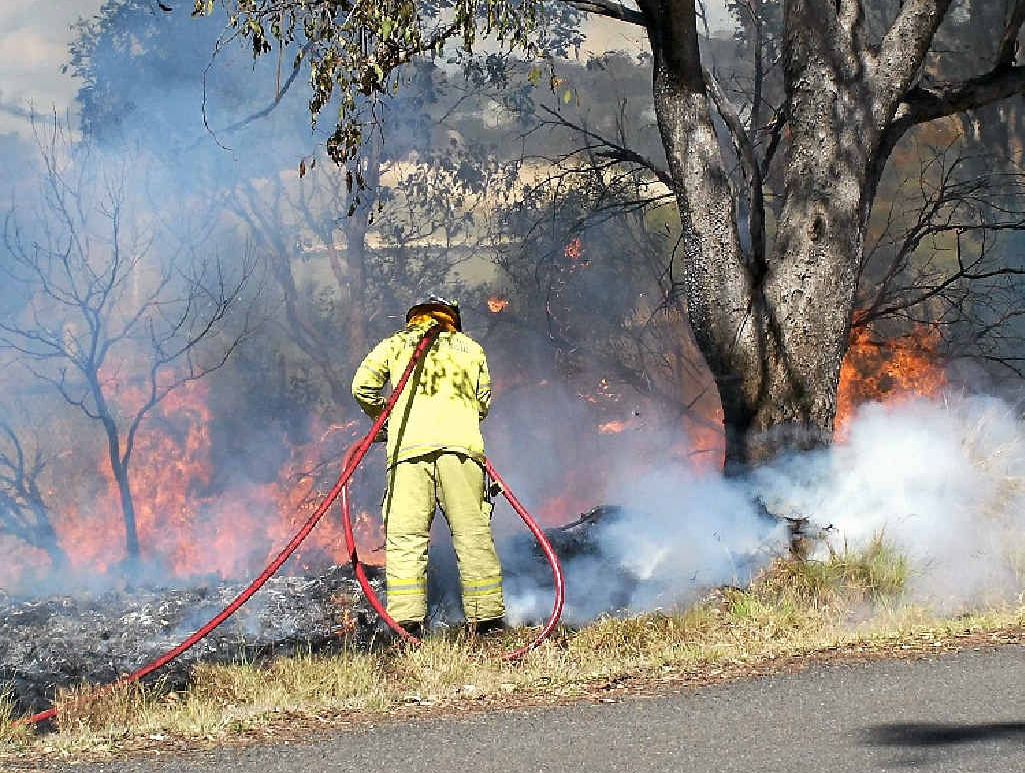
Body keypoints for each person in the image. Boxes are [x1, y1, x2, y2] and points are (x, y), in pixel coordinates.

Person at [351, 294, 505, 638]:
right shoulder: (471, 349)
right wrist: (457, 420)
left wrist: (387, 422)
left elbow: (362, 387)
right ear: (452, 318)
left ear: (414, 318)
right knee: (472, 534)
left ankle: (406, 625)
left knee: (406, 538)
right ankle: (488, 623)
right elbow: (483, 403)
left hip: (408, 455)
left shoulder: (394, 345)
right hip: (460, 453)